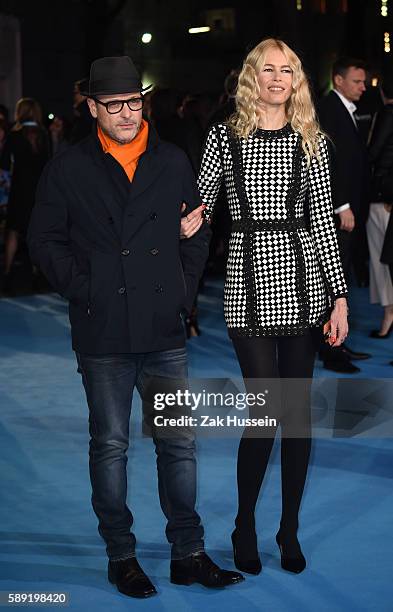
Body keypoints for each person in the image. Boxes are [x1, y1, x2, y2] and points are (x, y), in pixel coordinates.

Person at [27, 56, 243, 598]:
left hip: (163, 325)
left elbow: (197, 232)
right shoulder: (69, 168)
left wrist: (181, 294)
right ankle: (121, 555)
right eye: (115, 104)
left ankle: (187, 552)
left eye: (135, 102)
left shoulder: (171, 161)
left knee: (180, 445)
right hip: (103, 331)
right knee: (111, 445)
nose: (127, 113)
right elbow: (44, 242)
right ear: (94, 108)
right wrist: (89, 288)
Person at [184, 37, 349, 575]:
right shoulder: (223, 138)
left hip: (305, 287)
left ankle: (289, 530)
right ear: (252, 75)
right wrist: (186, 219)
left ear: (296, 80)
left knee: (296, 417)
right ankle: (245, 524)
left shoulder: (313, 141)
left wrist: (340, 299)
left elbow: (323, 221)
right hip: (247, 287)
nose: (277, 78)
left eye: (287, 70)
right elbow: (203, 202)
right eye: (268, 69)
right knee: (265, 414)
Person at [317, 57, 372, 372]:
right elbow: (328, 165)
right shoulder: (328, 111)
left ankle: (338, 344)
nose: (363, 88)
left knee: (340, 280)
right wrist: (342, 205)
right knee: (331, 284)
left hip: (348, 209)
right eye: (357, 81)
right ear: (338, 80)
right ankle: (331, 352)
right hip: (339, 212)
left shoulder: (342, 110)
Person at [0, 98, 49, 293]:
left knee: (13, 231)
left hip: (18, 190)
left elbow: (4, 165)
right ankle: (37, 274)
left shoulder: (15, 135)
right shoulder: (42, 134)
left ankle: (7, 272)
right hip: (39, 191)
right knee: (35, 233)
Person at [367, 72, 393, 339]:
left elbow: (374, 153)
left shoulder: (387, 113)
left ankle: (389, 315)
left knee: (382, 259)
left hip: (383, 199)